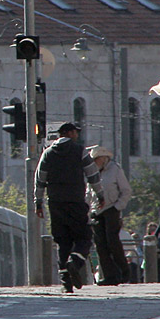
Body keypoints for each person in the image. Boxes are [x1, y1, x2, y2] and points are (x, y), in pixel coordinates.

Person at [34, 122, 104, 293]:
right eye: (75, 132)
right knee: (84, 237)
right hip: (76, 201)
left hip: (55, 203)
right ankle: (75, 261)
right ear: (69, 133)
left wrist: (38, 202)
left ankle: (66, 282)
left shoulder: (48, 153)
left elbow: (40, 179)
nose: (77, 135)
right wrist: (100, 195)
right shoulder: (80, 151)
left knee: (62, 240)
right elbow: (92, 174)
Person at [86, 145, 132, 285]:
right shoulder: (92, 173)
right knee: (101, 245)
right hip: (96, 212)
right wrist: (86, 210)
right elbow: (89, 193)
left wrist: (118, 207)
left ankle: (124, 272)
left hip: (111, 209)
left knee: (112, 241)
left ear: (103, 159)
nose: (94, 163)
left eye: (96, 160)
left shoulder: (115, 170)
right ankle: (109, 276)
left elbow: (126, 191)